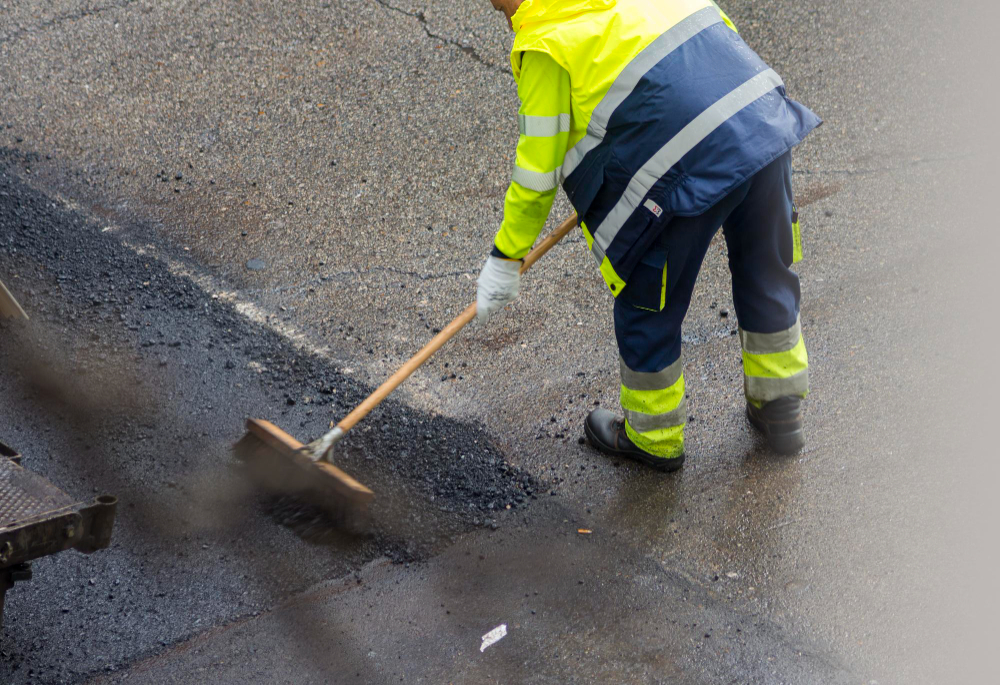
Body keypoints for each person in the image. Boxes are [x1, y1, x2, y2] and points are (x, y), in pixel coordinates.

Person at [477, 0, 820, 471]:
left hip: (681, 172)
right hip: (759, 126)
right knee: (766, 269)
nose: (500, 10)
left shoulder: (547, 41)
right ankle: (780, 404)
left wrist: (505, 256)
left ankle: (654, 437)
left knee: (647, 298)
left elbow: (537, 175)